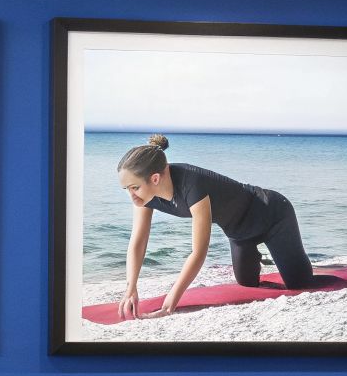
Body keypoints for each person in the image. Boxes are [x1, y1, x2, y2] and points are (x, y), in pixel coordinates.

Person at [115, 134, 315, 320]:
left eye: (135, 187)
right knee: (246, 283)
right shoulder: (144, 197)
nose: (131, 196)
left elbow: (198, 252)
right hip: (239, 234)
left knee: (299, 284)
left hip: (273, 215)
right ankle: (265, 256)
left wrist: (169, 306)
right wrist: (130, 287)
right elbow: (138, 242)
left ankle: (293, 256)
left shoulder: (192, 184)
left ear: (155, 178)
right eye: (126, 189)